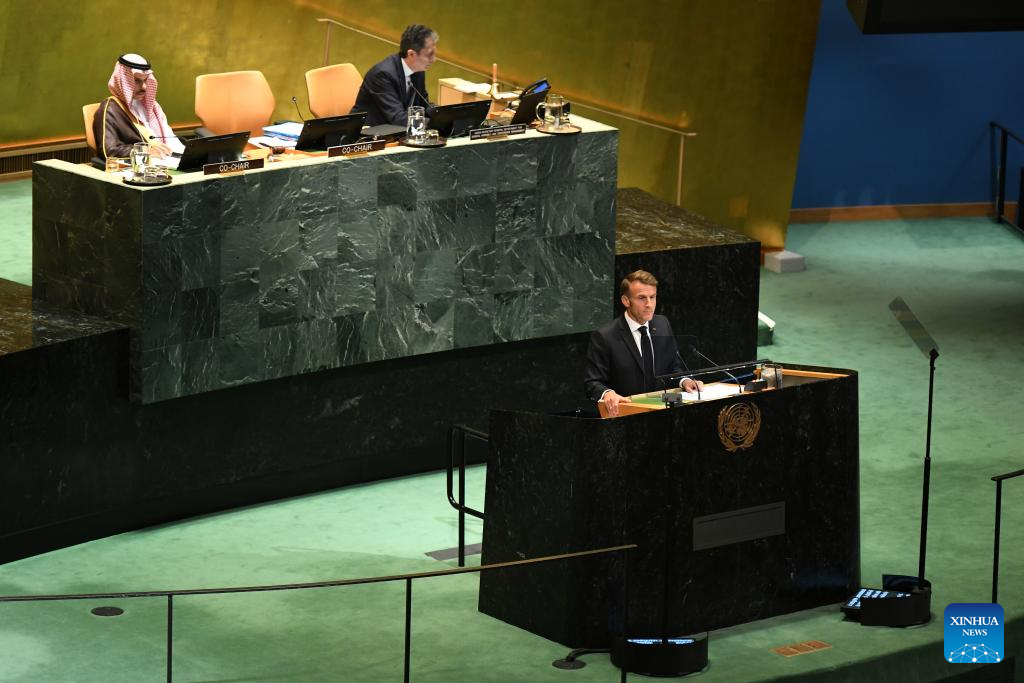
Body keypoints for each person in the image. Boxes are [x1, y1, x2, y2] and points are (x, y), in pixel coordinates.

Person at [584, 270, 703, 417]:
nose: (649, 304)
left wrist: (685, 381)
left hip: (664, 405)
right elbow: (592, 382)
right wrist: (607, 393)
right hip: (628, 410)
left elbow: (674, 366)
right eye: (642, 298)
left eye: (652, 297)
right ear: (626, 301)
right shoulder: (605, 336)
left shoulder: (662, 324)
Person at [93, 54, 183, 160]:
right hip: (137, 169)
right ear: (124, 80)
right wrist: (144, 150)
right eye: (137, 81)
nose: (144, 87)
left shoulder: (153, 107)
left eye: (145, 80)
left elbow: (170, 140)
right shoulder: (110, 109)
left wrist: (187, 155)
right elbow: (109, 151)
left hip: (166, 162)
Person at [353, 24, 437, 127]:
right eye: (429, 54)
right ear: (411, 54)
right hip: (368, 134)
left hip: (395, 131)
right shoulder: (382, 75)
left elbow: (423, 105)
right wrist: (434, 124)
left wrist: (443, 115)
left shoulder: (418, 71)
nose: (434, 59)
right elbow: (397, 118)